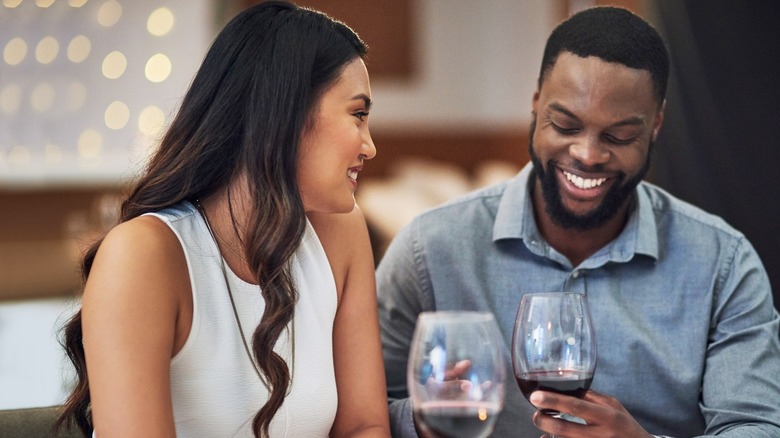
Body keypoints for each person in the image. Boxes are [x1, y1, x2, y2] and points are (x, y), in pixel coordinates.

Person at [376, 6, 780, 438]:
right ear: (535, 106)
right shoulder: (428, 249)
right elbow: (357, 416)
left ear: (656, 126)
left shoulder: (723, 263)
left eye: (619, 136)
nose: (587, 154)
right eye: (565, 124)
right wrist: (421, 418)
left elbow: (756, 427)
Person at [55, 2, 390, 437]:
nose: (370, 146)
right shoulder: (144, 256)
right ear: (284, 113)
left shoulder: (339, 231)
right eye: (358, 115)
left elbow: (363, 426)